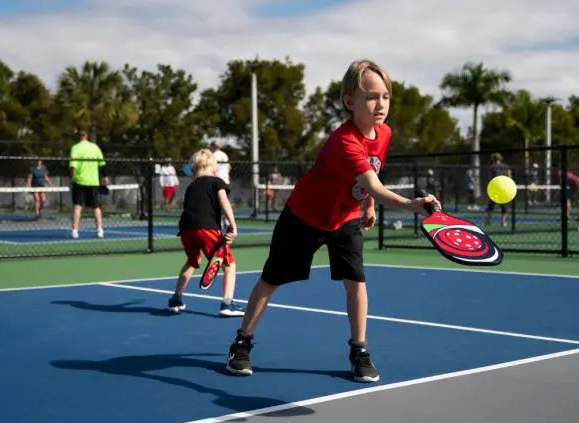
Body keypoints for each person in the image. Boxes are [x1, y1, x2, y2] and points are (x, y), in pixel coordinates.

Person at [224, 59, 440, 383]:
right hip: (304, 217)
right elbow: (375, 185)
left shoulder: (384, 133)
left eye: (385, 96)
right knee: (271, 280)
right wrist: (411, 204)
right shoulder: (344, 142)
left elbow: (372, 172)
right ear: (349, 102)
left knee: (357, 283)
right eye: (370, 97)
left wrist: (366, 206)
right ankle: (242, 342)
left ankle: (360, 350)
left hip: (346, 218)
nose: (380, 104)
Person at [168, 148, 244, 317]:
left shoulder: (191, 187)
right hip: (207, 228)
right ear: (213, 166)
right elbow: (224, 202)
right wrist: (233, 225)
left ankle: (176, 298)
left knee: (192, 261)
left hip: (187, 230)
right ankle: (227, 304)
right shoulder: (216, 182)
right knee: (229, 264)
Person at [68, 129, 108, 239]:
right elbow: (102, 164)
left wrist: (72, 178)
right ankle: (100, 231)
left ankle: (75, 232)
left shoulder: (75, 148)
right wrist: (105, 176)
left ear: (78, 136)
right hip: (93, 182)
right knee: (96, 207)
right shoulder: (95, 147)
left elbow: (73, 166)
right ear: (87, 136)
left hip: (79, 182)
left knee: (78, 206)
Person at [484, 153, 512, 227]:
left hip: (496, 188)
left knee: (491, 205)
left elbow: (490, 179)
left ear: (493, 159)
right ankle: (503, 222)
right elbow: (509, 177)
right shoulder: (506, 166)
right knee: (504, 206)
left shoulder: (492, 167)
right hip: (504, 188)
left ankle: (488, 220)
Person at [210, 141, 231, 230]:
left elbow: (211, 168)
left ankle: (219, 221)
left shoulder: (212, 155)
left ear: (213, 146)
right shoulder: (225, 155)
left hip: (216, 181)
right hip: (225, 181)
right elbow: (229, 168)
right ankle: (226, 220)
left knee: (215, 203)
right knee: (225, 202)